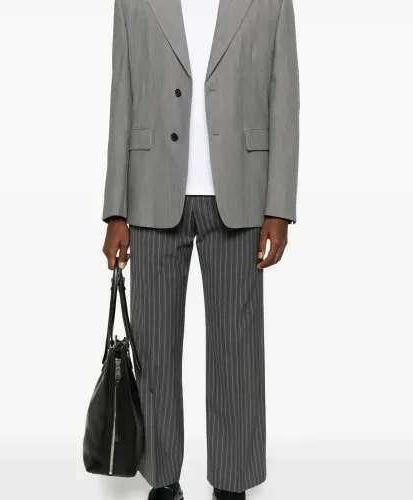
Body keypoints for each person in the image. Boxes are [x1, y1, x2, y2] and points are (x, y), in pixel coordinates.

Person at [102, 0, 299, 498]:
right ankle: (162, 479)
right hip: (151, 194)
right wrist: (115, 210)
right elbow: (121, 97)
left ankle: (232, 482)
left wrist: (279, 206)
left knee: (238, 352)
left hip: (242, 194)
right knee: (154, 351)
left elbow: (285, 97)